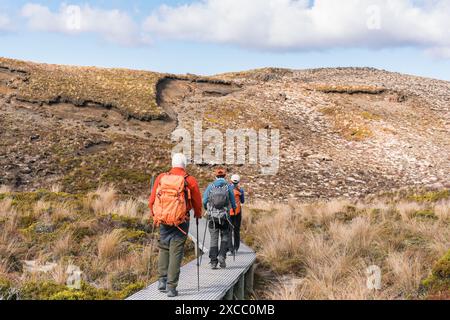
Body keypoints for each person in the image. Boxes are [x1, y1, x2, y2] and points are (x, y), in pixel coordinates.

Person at [149, 153, 202, 298]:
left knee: (164, 248)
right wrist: (198, 214)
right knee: (176, 252)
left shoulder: (161, 178)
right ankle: (171, 288)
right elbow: (197, 202)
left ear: (172, 163)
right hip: (181, 221)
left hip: (163, 220)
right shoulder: (189, 180)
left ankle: (162, 280)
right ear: (184, 164)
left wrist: (156, 216)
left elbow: (152, 200)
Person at [203, 167, 236, 269]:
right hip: (225, 217)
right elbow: (233, 202)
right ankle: (222, 256)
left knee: (214, 238)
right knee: (225, 237)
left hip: (213, 217)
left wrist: (207, 209)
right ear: (224, 176)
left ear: (215, 176)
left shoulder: (211, 186)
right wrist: (233, 210)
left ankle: (213, 261)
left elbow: (204, 200)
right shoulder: (228, 187)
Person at [228, 174, 245, 255]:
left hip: (229, 212)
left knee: (229, 230)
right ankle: (236, 248)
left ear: (231, 180)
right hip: (237, 212)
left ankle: (230, 248)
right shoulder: (240, 190)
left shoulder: (227, 188)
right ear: (238, 181)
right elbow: (242, 201)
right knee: (236, 230)